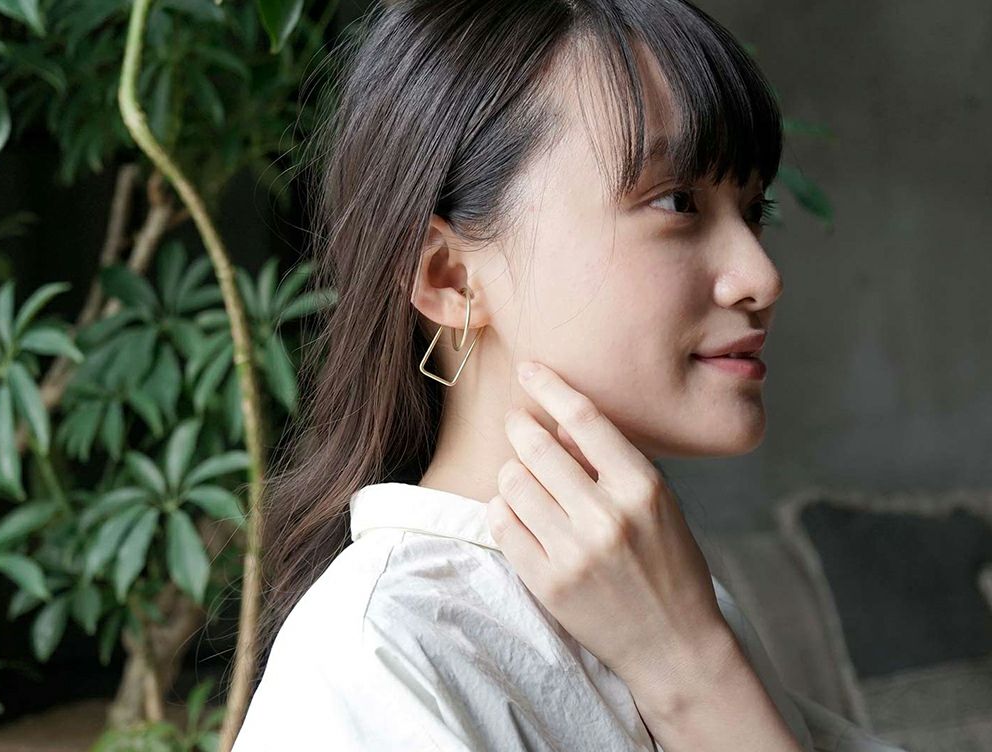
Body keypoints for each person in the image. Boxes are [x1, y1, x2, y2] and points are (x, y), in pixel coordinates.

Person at [231, 0, 910, 750]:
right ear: (451, 277)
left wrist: (693, 661)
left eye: (754, 211)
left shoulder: (664, 600)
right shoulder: (380, 652)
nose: (761, 276)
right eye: (678, 202)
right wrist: (689, 672)